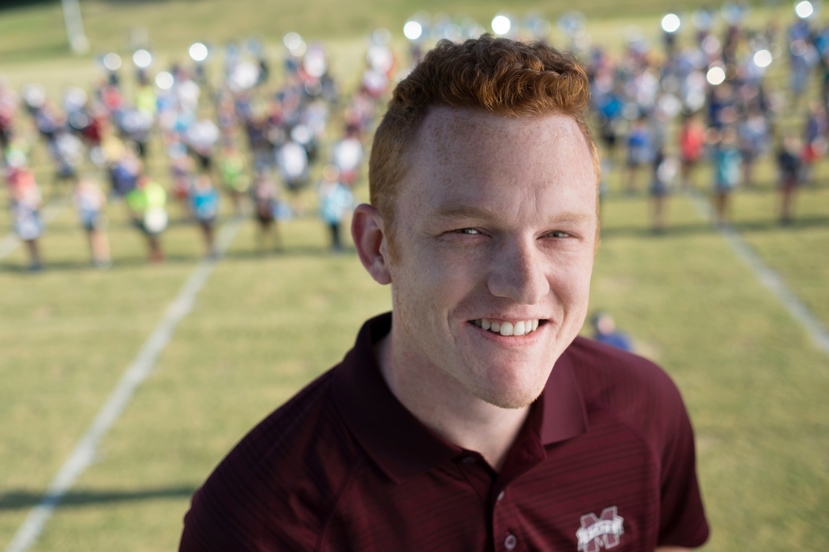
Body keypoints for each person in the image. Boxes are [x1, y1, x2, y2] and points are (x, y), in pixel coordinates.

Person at [180, 37, 709, 551]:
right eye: (469, 232)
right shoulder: (257, 522)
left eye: (559, 234)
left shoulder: (646, 409)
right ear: (377, 246)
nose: (525, 283)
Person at [74, 176, 111, 268]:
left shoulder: (93, 190)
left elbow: (101, 202)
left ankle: (103, 257)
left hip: (95, 215)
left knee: (98, 237)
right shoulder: (79, 192)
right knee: (90, 237)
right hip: (85, 217)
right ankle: (94, 256)